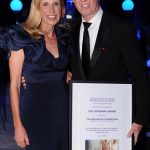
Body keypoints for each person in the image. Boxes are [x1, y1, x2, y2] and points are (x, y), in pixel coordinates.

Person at [69, 0, 150, 146]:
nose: (83, 1)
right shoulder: (70, 29)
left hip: (115, 122)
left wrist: (140, 119)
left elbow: (140, 75)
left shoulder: (120, 27)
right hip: (82, 123)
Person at [0, 0, 70, 149]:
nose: (51, 10)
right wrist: (17, 125)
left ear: (62, 9)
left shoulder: (65, 36)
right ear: (37, 8)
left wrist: (69, 76)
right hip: (34, 113)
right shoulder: (22, 37)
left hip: (63, 113)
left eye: (56, 4)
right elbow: (14, 86)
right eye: (45, 4)